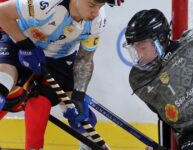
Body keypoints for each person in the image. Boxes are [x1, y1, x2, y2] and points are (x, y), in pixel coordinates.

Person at [0, 0, 124, 149]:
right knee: (3, 80)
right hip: (19, 42)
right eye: (92, 5)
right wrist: (25, 45)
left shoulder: (98, 21)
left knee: (78, 114)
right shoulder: (46, 3)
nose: (96, 12)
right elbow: (2, 13)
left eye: (100, 6)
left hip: (59, 58)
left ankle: (87, 144)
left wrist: (78, 96)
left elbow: (85, 59)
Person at [124, 9, 193, 150]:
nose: (140, 55)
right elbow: (165, 118)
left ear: (161, 39)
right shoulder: (140, 80)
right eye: (135, 49)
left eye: (143, 48)